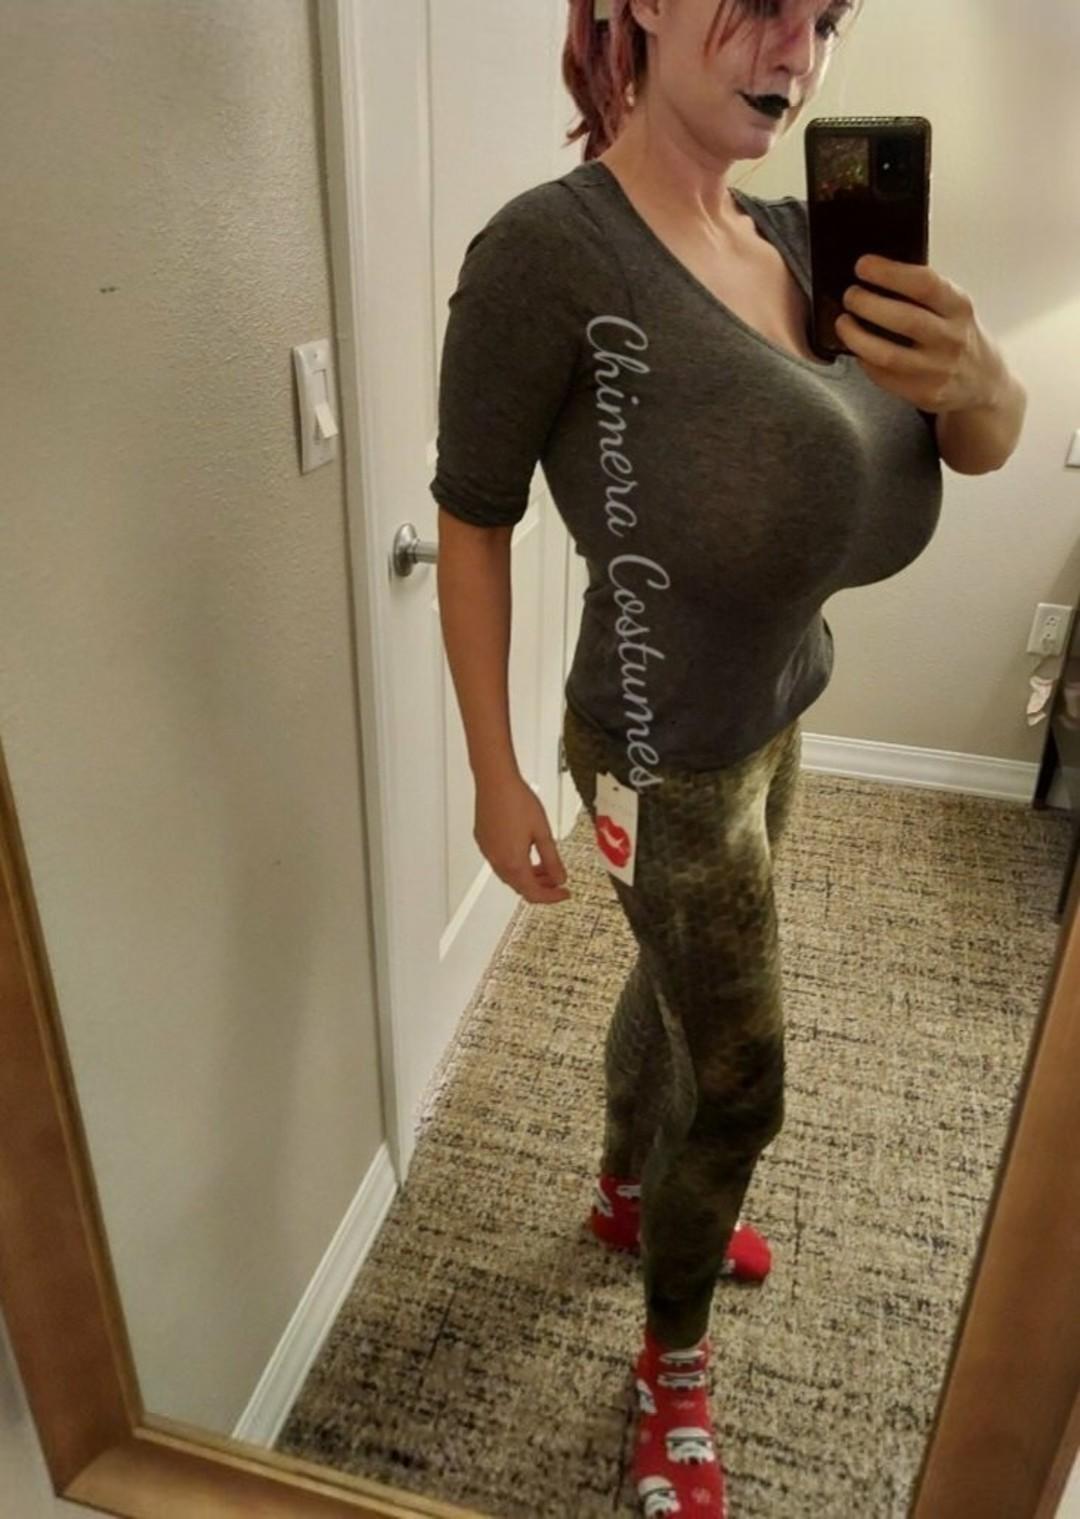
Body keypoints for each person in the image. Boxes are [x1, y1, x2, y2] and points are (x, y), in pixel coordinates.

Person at [430, 2, 1025, 1513]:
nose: (797, 53)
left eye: (823, 17)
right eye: (764, 3)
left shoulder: (807, 243)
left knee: (677, 987)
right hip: (658, 747)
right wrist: (494, 774)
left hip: (775, 707)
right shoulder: (550, 254)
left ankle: (626, 1192)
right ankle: (671, 1370)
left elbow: (969, 447)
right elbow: (472, 519)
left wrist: (980, 378)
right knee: (746, 1088)